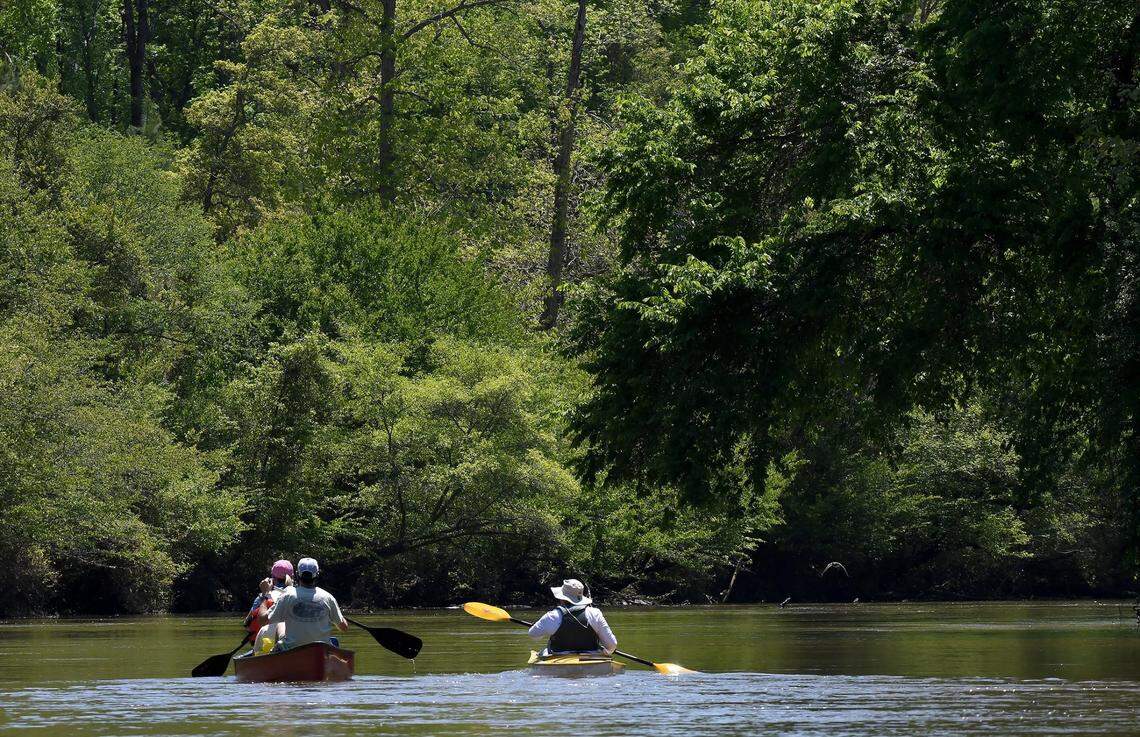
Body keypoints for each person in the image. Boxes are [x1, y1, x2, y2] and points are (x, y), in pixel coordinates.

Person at [266, 557, 348, 650]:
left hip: (291, 650)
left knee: (280, 625)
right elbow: (344, 628)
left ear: (297, 575)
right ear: (317, 575)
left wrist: (264, 595)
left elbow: (264, 621)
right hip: (320, 651)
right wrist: (339, 615)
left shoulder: (287, 596)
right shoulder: (328, 597)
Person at [527, 578, 617, 656]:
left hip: (559, 661)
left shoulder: (552, 616)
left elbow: (533, 634)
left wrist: (544, 628)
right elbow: (612, 645)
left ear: (562, 598)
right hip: (591, 660)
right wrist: (605, 652)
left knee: (543, 652)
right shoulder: (595, 613)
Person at [243, 560, 293, 653]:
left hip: (266, 645)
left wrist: (264, 594)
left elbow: (247, 624)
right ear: (292, 577)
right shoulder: (297, 595)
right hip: (293, 644)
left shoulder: (261, 598)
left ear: (272, 579)